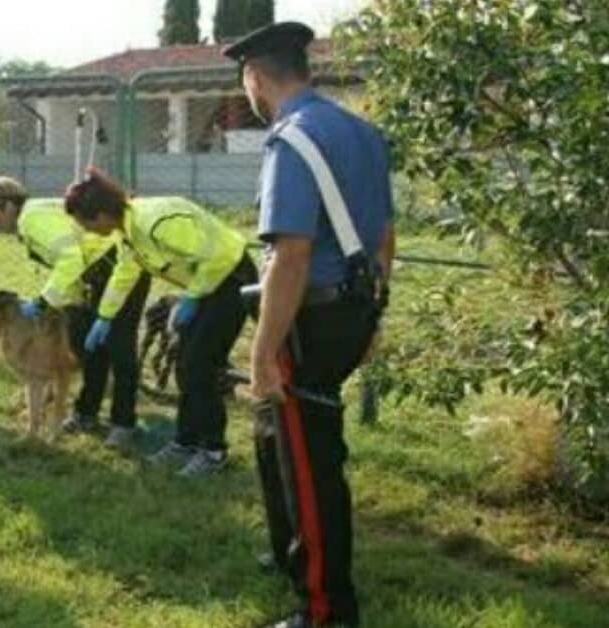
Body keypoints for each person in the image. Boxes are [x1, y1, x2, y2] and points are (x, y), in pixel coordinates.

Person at [225, 22, 395, 628]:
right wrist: (374, 312)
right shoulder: (363, 133)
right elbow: (383, 237)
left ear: (254, 78)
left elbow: (290, 255)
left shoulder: (290, 139)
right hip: (353, 307)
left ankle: (325, 610)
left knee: (308, 461)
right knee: (282, 435)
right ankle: (290, 551)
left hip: (311, 317)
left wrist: (263, 351)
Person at [64, 170, 257, 477]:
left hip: (231, 279)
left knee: (199, 366)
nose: (85, 230)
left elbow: (219, 256)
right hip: (207, 284)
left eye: (85, 223)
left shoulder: (156, 222)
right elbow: (125, 274)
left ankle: (213, 451)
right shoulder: (128, 231)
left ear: (100, 214)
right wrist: (104, 316)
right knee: (184, 365)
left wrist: (192, 298)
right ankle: (185, 442)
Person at [0, 176, 151, 448]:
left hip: (121, 269)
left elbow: (71, 257)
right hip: (94, 277)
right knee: (91, 347)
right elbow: (71, 263)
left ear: (10, 207)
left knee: (120, 347)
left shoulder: (32, 219)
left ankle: (123, 423)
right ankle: (86, 414)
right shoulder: (31, 219)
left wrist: (45, 301)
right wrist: (66, 302)